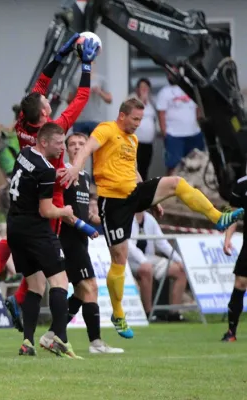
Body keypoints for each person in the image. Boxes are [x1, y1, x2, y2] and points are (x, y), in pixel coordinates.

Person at [61, 97, 244, 339]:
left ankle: (218, 217)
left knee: (176, 183)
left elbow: (133, 171)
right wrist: (75, 167)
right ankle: (118, 313)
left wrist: (151, 201)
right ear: (123, 115)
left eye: (140, 119)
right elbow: (87, 148)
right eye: (135, 119)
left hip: (134, 193)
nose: (138, 124)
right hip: (113, 202)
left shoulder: (132, 139)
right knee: (119, 258)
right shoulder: (106, 129)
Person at [0, 32, 100, 313]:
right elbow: (82, 96)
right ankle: (29, 309)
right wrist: (86, 66)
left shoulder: (21, 121)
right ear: (43, 114)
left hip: (21, 187)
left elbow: (41, 84)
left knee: (16, 239)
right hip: (48, 192)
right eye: (45, 103)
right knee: (48, 255)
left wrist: (60, 56)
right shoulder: (56, 130)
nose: (47, 100)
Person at [7, 122, 80, 358]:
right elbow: (46, 211)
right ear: (45, 142)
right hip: (35, 230)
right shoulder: (46, 170)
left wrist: (52, 176)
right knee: (60, 281)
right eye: (59, 143)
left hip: (15, 227)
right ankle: (58, 338)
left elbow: (31, 180)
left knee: (35, 285)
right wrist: (65, 210)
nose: (63, 148)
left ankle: (27, 342)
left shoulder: (25, 153)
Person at [46, 132, 123, 353]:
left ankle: (52, 333)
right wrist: (86, 228)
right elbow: (62, 211)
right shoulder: (62, 174)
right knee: (90, 287)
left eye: (82, 143)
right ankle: (96, 342)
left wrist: (104, 219)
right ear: (66, 149)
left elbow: (84, 212)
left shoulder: (86, 177)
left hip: (80, 241)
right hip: (68, 240)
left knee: (82, 292)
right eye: (73, 144)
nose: (78, 147)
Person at [128, 211, 187, 321]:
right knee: (146, 270)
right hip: (130, 259)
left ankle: (174, 313)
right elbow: (129, 246)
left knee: (181, 270)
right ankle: (149, 313)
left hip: (149, 258)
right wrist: (143, 261)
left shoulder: (150, 219)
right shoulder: (126, 218)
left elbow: (162, 243)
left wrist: (179, 260)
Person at [156, 72, 204, 175]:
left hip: (194, 134)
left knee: (198, 165)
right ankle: (168, 191)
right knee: (173, 167)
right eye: (169, 73)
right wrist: (165, 134)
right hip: (174, 136)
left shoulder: (191, 89)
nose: (171, 75)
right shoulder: (165, 92)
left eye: (173, 72)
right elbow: (161, 114)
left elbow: (198, 108)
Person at [221, 176, 247, 342]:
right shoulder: (241, 184)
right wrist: (227, 238)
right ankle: (231, 332)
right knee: (240, 283)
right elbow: (233, 213)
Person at [129, 78, 157, 181]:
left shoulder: (151, 101)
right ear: (137, 89)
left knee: (145, 167)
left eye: (146, 88)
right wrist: (141, 100)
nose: (144, 90)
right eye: (142, 88)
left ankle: (143, 188)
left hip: (148, 143)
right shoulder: (132, 99)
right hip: (135, 142)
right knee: (135, 168)